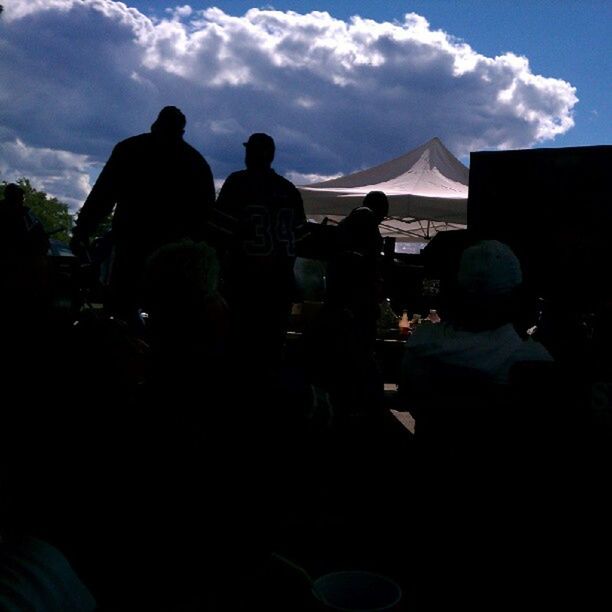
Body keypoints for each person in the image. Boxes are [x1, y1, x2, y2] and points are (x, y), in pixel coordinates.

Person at [70, 106, 215, 326]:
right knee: (168, 316)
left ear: (155, 125)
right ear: (182, 132)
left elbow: (103, 196)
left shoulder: (129, 150)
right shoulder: (195, 163)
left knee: (122, 311)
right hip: (174, 253)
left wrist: (83, 231)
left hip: (132, 244)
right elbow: (205, 216)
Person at [213, 132, 308, 370]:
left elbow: (217, 232)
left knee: (238, 350)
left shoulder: (238, 183)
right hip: (279, 287)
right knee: (271, 352)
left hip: (243, 284)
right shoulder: (288, 190)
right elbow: (302, 239)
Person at [327, 190, 389, 352]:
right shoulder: (367, 220)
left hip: (342, 298)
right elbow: (365, 262)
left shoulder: (349, 222)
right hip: (357, 301)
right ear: (381, 210)